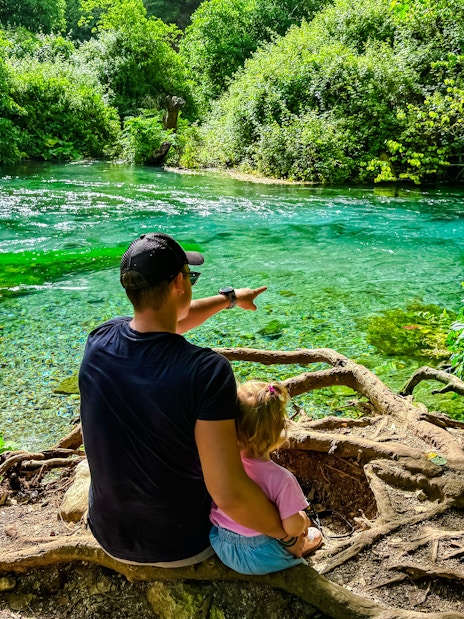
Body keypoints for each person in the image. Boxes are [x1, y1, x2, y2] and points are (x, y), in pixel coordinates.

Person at [79, 232, 309, 567]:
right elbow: (227, 494)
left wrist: (229, 299)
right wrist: (287, 535)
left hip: (108, 532)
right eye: (191, 276)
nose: (192, 283)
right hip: (178, 545)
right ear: (178, 284)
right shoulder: (207, 371)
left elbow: (168, 322)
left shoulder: (100, 338)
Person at [210, 380, 323, 575]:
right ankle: (300, 547)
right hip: (260, 556)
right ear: (279, 431)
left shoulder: (224, 462)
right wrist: (303, 521)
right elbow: (292, 527)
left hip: (222, 544)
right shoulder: (283, 479)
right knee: (301, 525)